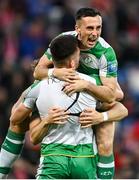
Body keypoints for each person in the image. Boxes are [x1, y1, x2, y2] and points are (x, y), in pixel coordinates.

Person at [0, 7, 124, 179]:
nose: (95, 33)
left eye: (98, 28)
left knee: (105, 140)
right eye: (90, 28)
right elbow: (38, 71)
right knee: (16, 117)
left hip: (89, 90)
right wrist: (54, 73)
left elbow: (114, 93)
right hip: (57, 84)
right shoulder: (63, 41)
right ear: (77, 28)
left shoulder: (106, 53)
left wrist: (87, 84)